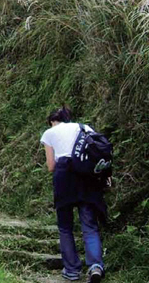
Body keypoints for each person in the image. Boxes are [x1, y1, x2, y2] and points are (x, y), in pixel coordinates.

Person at [40, 106, 106, 283]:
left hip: (64, 176)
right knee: (89, 225)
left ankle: (71, 270)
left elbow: (51, 166)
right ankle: (95, 266)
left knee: (65, 226)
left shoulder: (50, 133)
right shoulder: (85, 128)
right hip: (86, 176)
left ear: (53, 121)